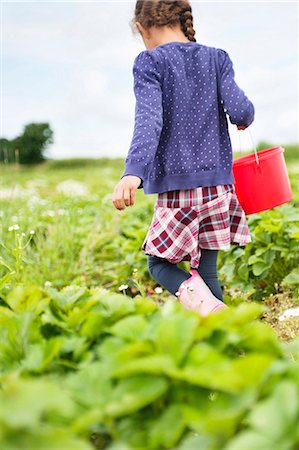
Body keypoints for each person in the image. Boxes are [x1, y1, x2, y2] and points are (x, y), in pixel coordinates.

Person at [112, 0, 254, 316]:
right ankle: (222, 333)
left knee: (159, 264)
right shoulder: (217, 58)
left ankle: (214, 317)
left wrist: (133, 171)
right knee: (207, 270)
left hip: (178, 190)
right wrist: (245, 117)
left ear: (141, 27)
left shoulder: (150, 63)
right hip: (218, 186)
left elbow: (149, 119)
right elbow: (241, 110)